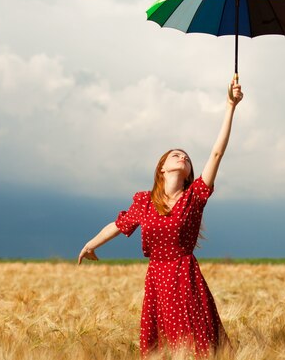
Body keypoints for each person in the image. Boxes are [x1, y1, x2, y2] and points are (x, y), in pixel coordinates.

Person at [78, 75, 243, 358]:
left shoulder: (195, 197)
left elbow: (216, 154)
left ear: (190, 173)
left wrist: (230, 106)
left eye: (187, 158)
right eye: (175, 155)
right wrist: (91, 245)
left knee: (196, 347)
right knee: (163, 349)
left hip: (184, 278)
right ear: (162, 168)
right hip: (157, 281)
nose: (183, 158)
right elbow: (117, 225)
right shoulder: (144, 201)